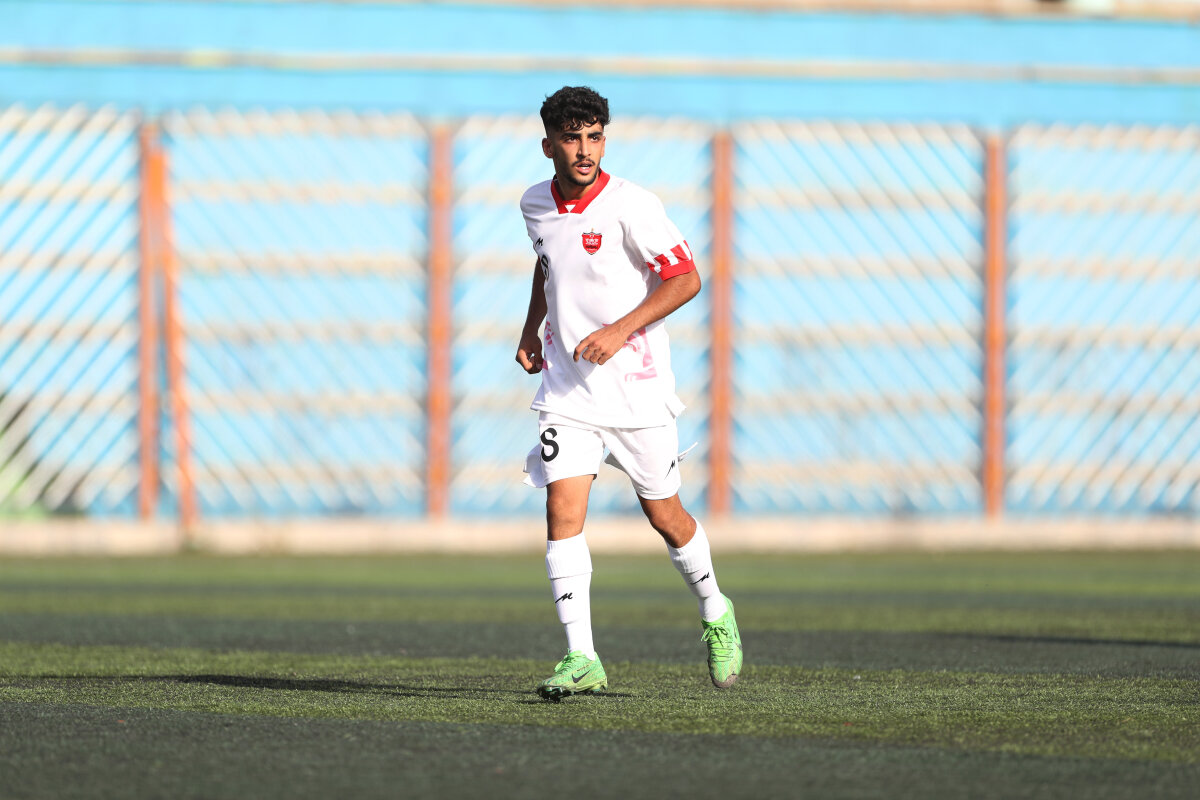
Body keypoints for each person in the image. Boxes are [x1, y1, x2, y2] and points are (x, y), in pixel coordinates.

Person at [515, 86, 742, 701]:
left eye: (594, 137)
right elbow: (547, 264)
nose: (584, 150)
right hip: (567, 390)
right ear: (548, 146)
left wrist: (619, 331)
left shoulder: (633, 205)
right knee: (562, 514)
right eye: (571, 138)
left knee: (664, 515)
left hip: (637, 393)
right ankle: (582, 656)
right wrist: (532, 327)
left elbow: (685, 279)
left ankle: (716, 609)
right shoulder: (534, 203)